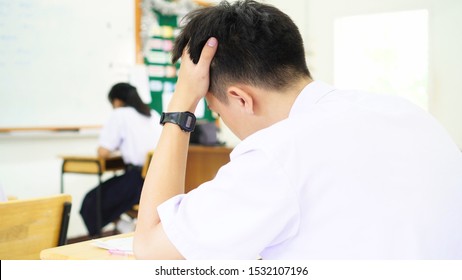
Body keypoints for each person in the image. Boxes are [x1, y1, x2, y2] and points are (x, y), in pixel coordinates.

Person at [133, 0, 462, 259]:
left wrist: (180, 107)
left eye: (216, 111)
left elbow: (149, 247)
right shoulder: (404, 112)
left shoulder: (277, 154)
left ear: (240, 99)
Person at [80, 82, 161, 236]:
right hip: (157, 181)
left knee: (91, 202)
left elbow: (102, 152)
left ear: (117, 101)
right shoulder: (153, 114)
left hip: (137, 182)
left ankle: (119, 227)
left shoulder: (120, 114)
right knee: (107, 194)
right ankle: (124, 226)